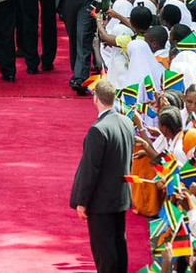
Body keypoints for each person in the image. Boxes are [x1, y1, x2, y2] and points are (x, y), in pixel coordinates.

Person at [69, 79, 134, 273]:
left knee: (104, 250)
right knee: (118, 244)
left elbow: (91, 169)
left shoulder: (98, 129)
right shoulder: (127, 121)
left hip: (101, 200)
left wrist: (82, 201)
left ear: (96, 98)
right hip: (120, 195)